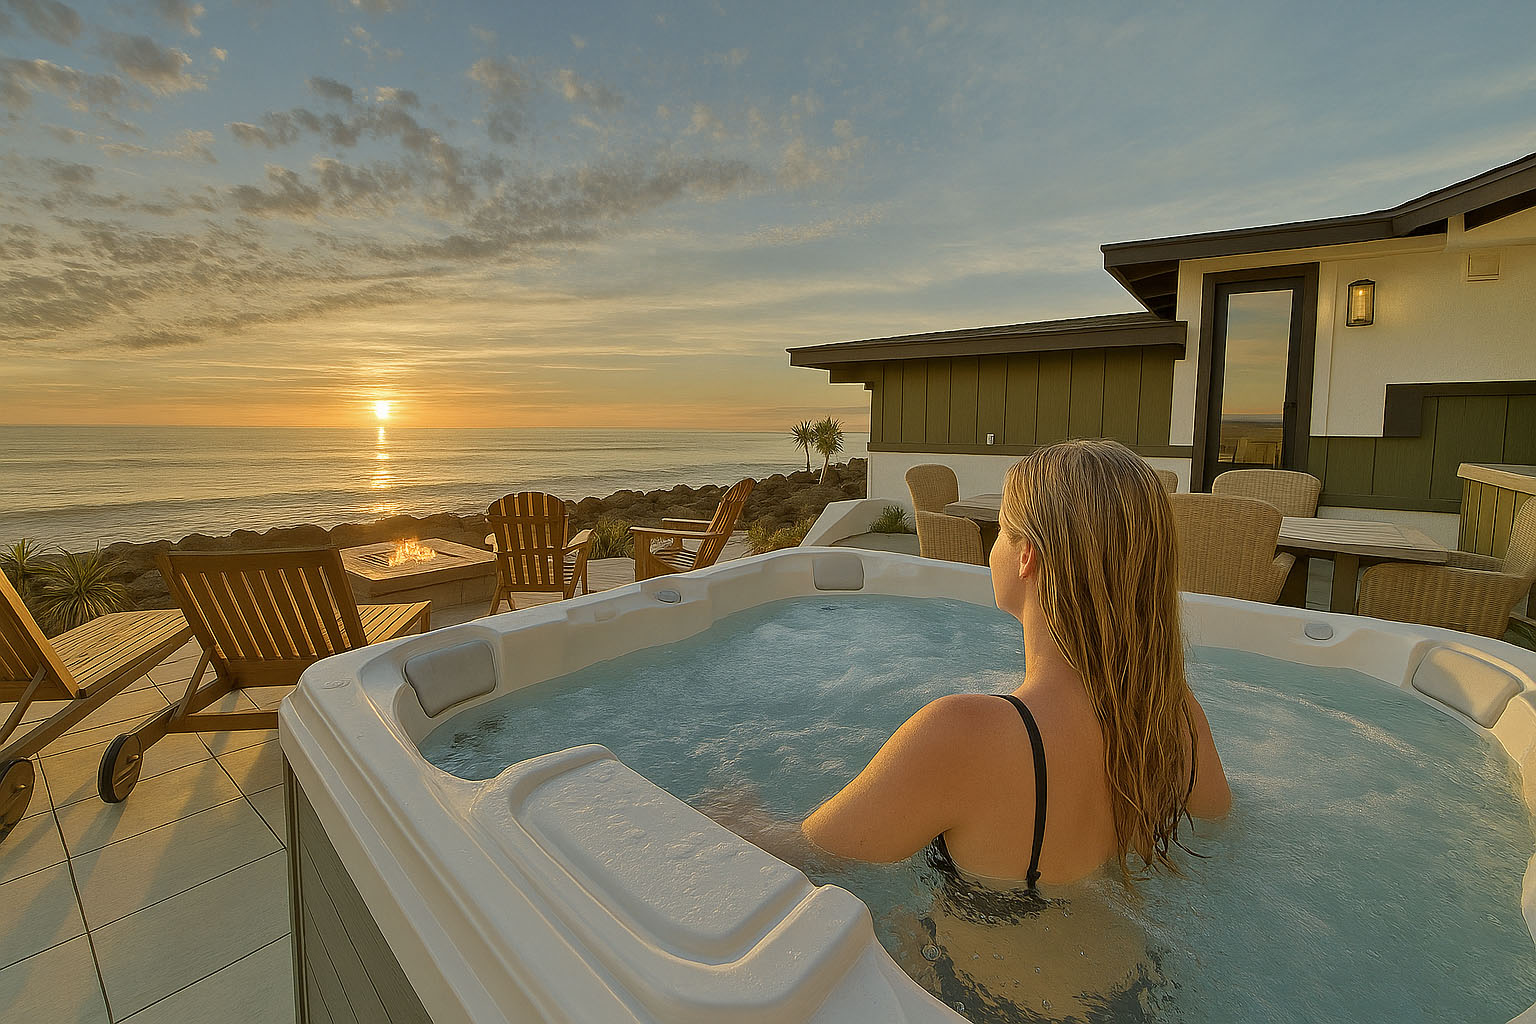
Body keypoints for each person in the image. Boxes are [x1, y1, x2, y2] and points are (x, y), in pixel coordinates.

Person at [802, 438, 1231, 888]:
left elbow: (811, 856)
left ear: (1027, 555)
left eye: (1001, 530)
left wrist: (737, 809)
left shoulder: (963, 734)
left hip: (962, 960)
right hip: (1143, 959)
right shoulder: (1176, 710)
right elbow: (1222, 832)